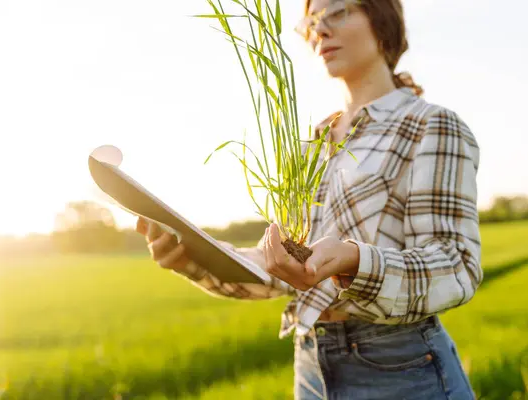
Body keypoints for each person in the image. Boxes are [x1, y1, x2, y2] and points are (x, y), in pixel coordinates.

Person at [136, 0, 482, 398]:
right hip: (312, 364)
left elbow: (456, 266)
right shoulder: (312, 145)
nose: (321, 30)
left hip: (400, 368)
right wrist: (196, 257)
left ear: (381, 19)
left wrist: (354, 261)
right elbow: (285, 271)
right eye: (313, 21)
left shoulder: (430, 125)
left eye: (338, 12)